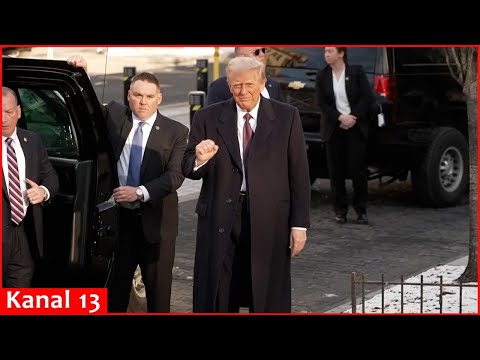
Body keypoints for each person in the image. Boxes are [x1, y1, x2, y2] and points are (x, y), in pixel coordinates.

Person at [182, 56, 311, 313]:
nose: (243, 91)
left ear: (262, 82)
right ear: (228, 85)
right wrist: (199, 159)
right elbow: (187, 168)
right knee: (219, 290)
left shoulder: (287, 117)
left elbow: (299, 175)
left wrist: (299, 225)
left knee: (265, 291)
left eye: (250, 84)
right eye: (237, 85)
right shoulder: (208, 117)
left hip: (269, 219)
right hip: (220, 217)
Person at [67, 55, 189, 313]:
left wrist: (139, 192)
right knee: (115, 293)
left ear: (159, 98)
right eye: (137, 95)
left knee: (157, 297)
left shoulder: (176, 131)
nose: (143, 102)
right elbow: (86, 108)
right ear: (128, 96)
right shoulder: (114, 114)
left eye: (149, 96)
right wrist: (83, 73)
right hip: (119, 223)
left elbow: (175, 177)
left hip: (156, 225)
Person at [2, 86, 59, 287]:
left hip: (25, 235)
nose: (3, 119)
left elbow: (51, 176)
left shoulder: (32, 140)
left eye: (8, 112)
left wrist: (43, 192)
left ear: (18, 111)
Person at [315, 47, 375, 225]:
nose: (326, 55)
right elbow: (322, 104)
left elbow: (367, 98)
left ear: (341, 54)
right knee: (336, 172)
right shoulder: (322, 75)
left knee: (357, 170)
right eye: (325, 51)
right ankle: (340, 211)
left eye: (330, 51)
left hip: (355, 127)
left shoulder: (356, 72)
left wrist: (352, 117)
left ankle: (361, 210)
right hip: (334, 128)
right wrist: (339, 117)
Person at [206, 47, 284, 105]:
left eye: (263, 50)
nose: (262, 55)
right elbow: (212, 120)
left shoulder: (273, 85)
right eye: (256, 52)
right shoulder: (220, 87)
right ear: (241, 58)